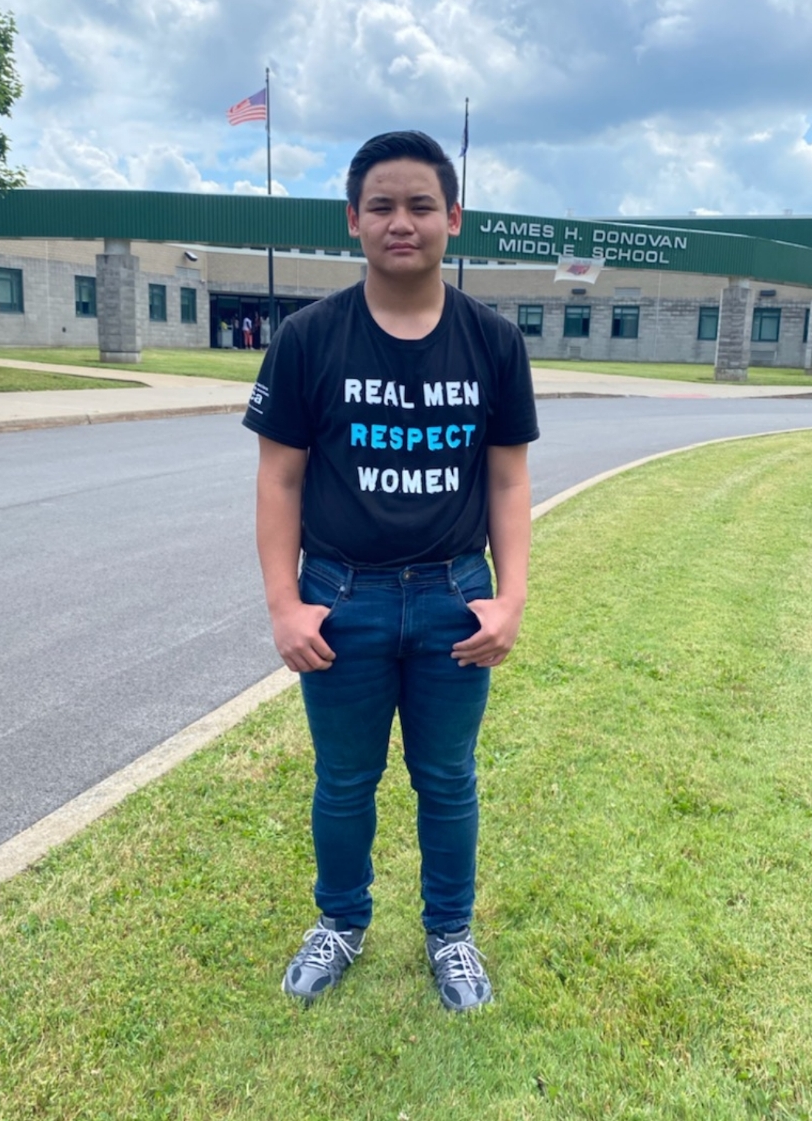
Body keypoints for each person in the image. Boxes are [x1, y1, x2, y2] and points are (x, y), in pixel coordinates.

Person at [242, 130, 538, 1011]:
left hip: (453, 597)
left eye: (418, 206)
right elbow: (279, 475)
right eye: (381, 206)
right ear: (352, 220)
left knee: (446, 778)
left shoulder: (492, 341)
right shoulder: (307, 338)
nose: (399, 222)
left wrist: (511, 596)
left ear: (453, 218)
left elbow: (508, 477)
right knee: (344, 779)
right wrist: (285, 604)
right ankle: (341, 921)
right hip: (340, 599)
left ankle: (450, 933)